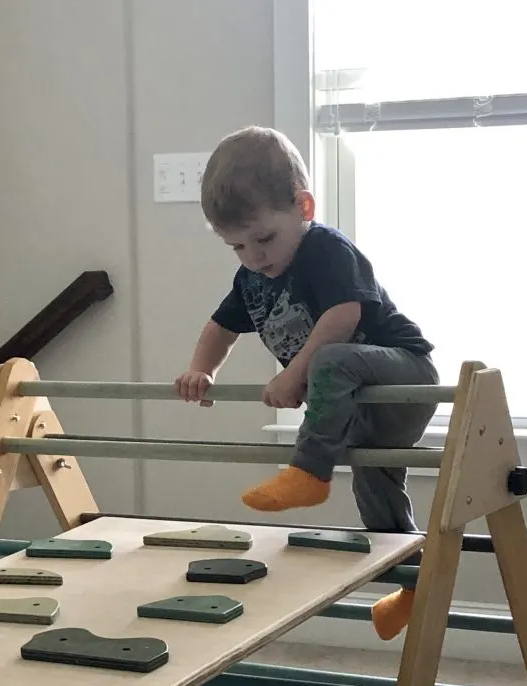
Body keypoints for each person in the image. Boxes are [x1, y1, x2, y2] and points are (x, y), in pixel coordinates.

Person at [174, 126, 439, 640]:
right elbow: (220, 327)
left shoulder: (327, 251)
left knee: (332, 359)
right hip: (360, 408)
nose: (254, 256)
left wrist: (294, 373)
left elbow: (344, 316)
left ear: (304, 207)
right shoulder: (253, 277)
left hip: (404, 375)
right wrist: (202, 368)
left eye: (265, 238)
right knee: (375, 487)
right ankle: (411, 586)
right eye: (237, 247)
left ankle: (309, 473)